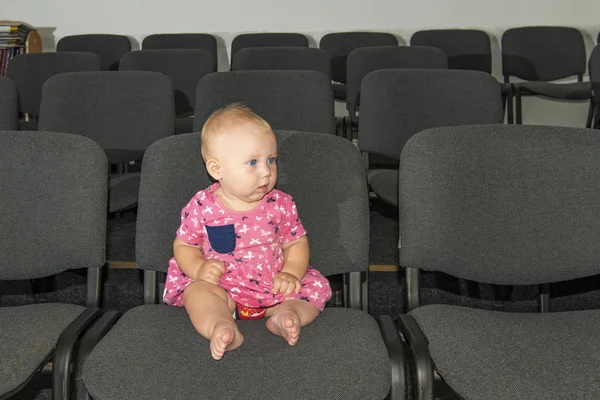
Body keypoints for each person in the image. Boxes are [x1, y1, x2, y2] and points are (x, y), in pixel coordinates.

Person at [163, 103, 332, 360]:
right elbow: (184, 245)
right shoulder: (202, 205)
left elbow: (295, 242)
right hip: (224, 288)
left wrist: (290, 272)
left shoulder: (281, 203)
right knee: (196, 293)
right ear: (216, 169)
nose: (266, 171)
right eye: (252, 162)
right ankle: (220, 325)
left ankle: (287, 315)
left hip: (274, 286)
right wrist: (198, 268)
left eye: (271, 160)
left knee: (314, 290)